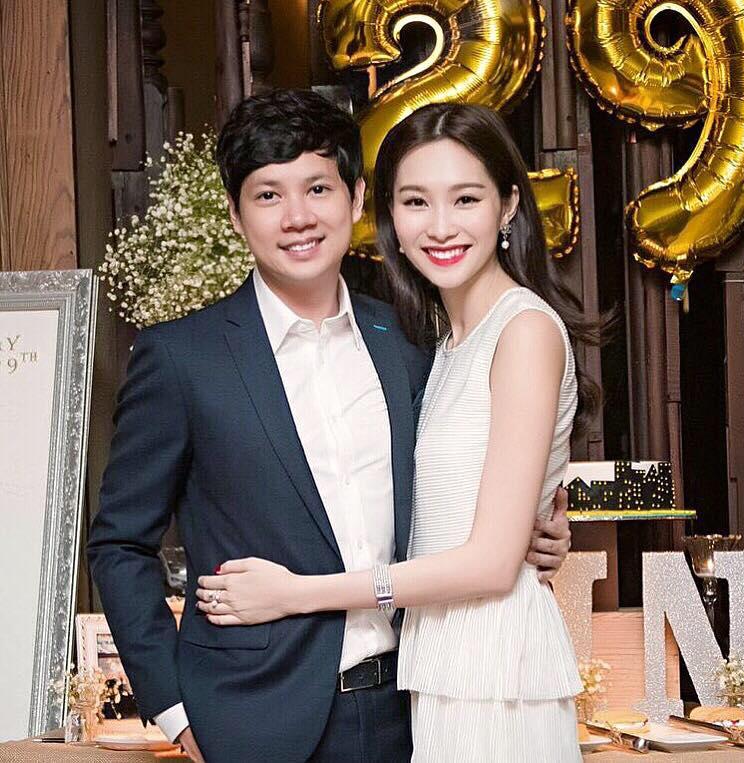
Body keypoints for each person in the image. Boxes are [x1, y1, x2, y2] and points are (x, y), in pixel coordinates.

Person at [88, 91, 573, 763]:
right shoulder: (181, 358)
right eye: (268, 195)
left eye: (317, 188)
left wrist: (535, 534)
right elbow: (119, 543)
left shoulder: (410, 340)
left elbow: (465, 493)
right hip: (254, 721)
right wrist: (175, 711)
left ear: (356, 199)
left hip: (413, 706)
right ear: (234, 214)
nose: (298, 217)